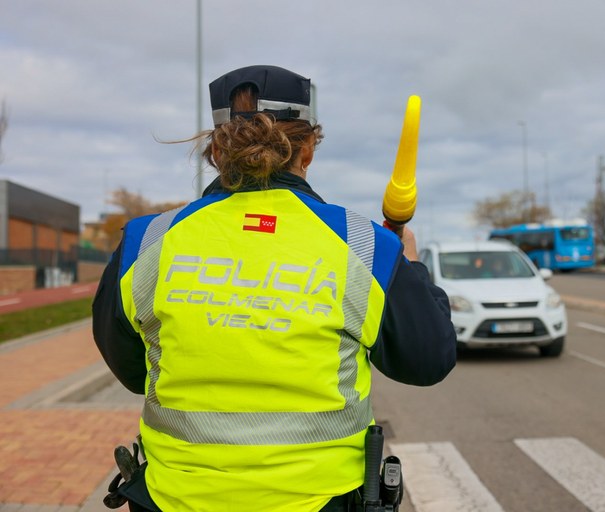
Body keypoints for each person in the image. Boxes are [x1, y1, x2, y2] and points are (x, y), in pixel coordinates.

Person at [92, 65, 457, 512]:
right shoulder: (364, 245)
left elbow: (134, 374)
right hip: (321, 500)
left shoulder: (146, 241)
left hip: (174, 500)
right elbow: (427, 361)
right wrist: (411, 266)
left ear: (216, 151)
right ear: (308, 150)